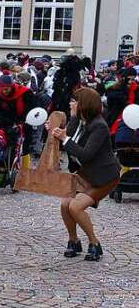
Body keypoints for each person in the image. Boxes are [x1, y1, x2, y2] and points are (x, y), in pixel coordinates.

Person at [49, 88, 119, 262]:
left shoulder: (99, 126)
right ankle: (74, 241)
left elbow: (86, 154)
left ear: (84, 104)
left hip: (104, 177)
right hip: (85, 173)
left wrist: (64, 138)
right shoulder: (76, 121)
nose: (70, 103)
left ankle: (94, 243)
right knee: (65, 204)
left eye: (74, 101)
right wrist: (54, 132)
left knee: (75, 207)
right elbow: (68, 141)